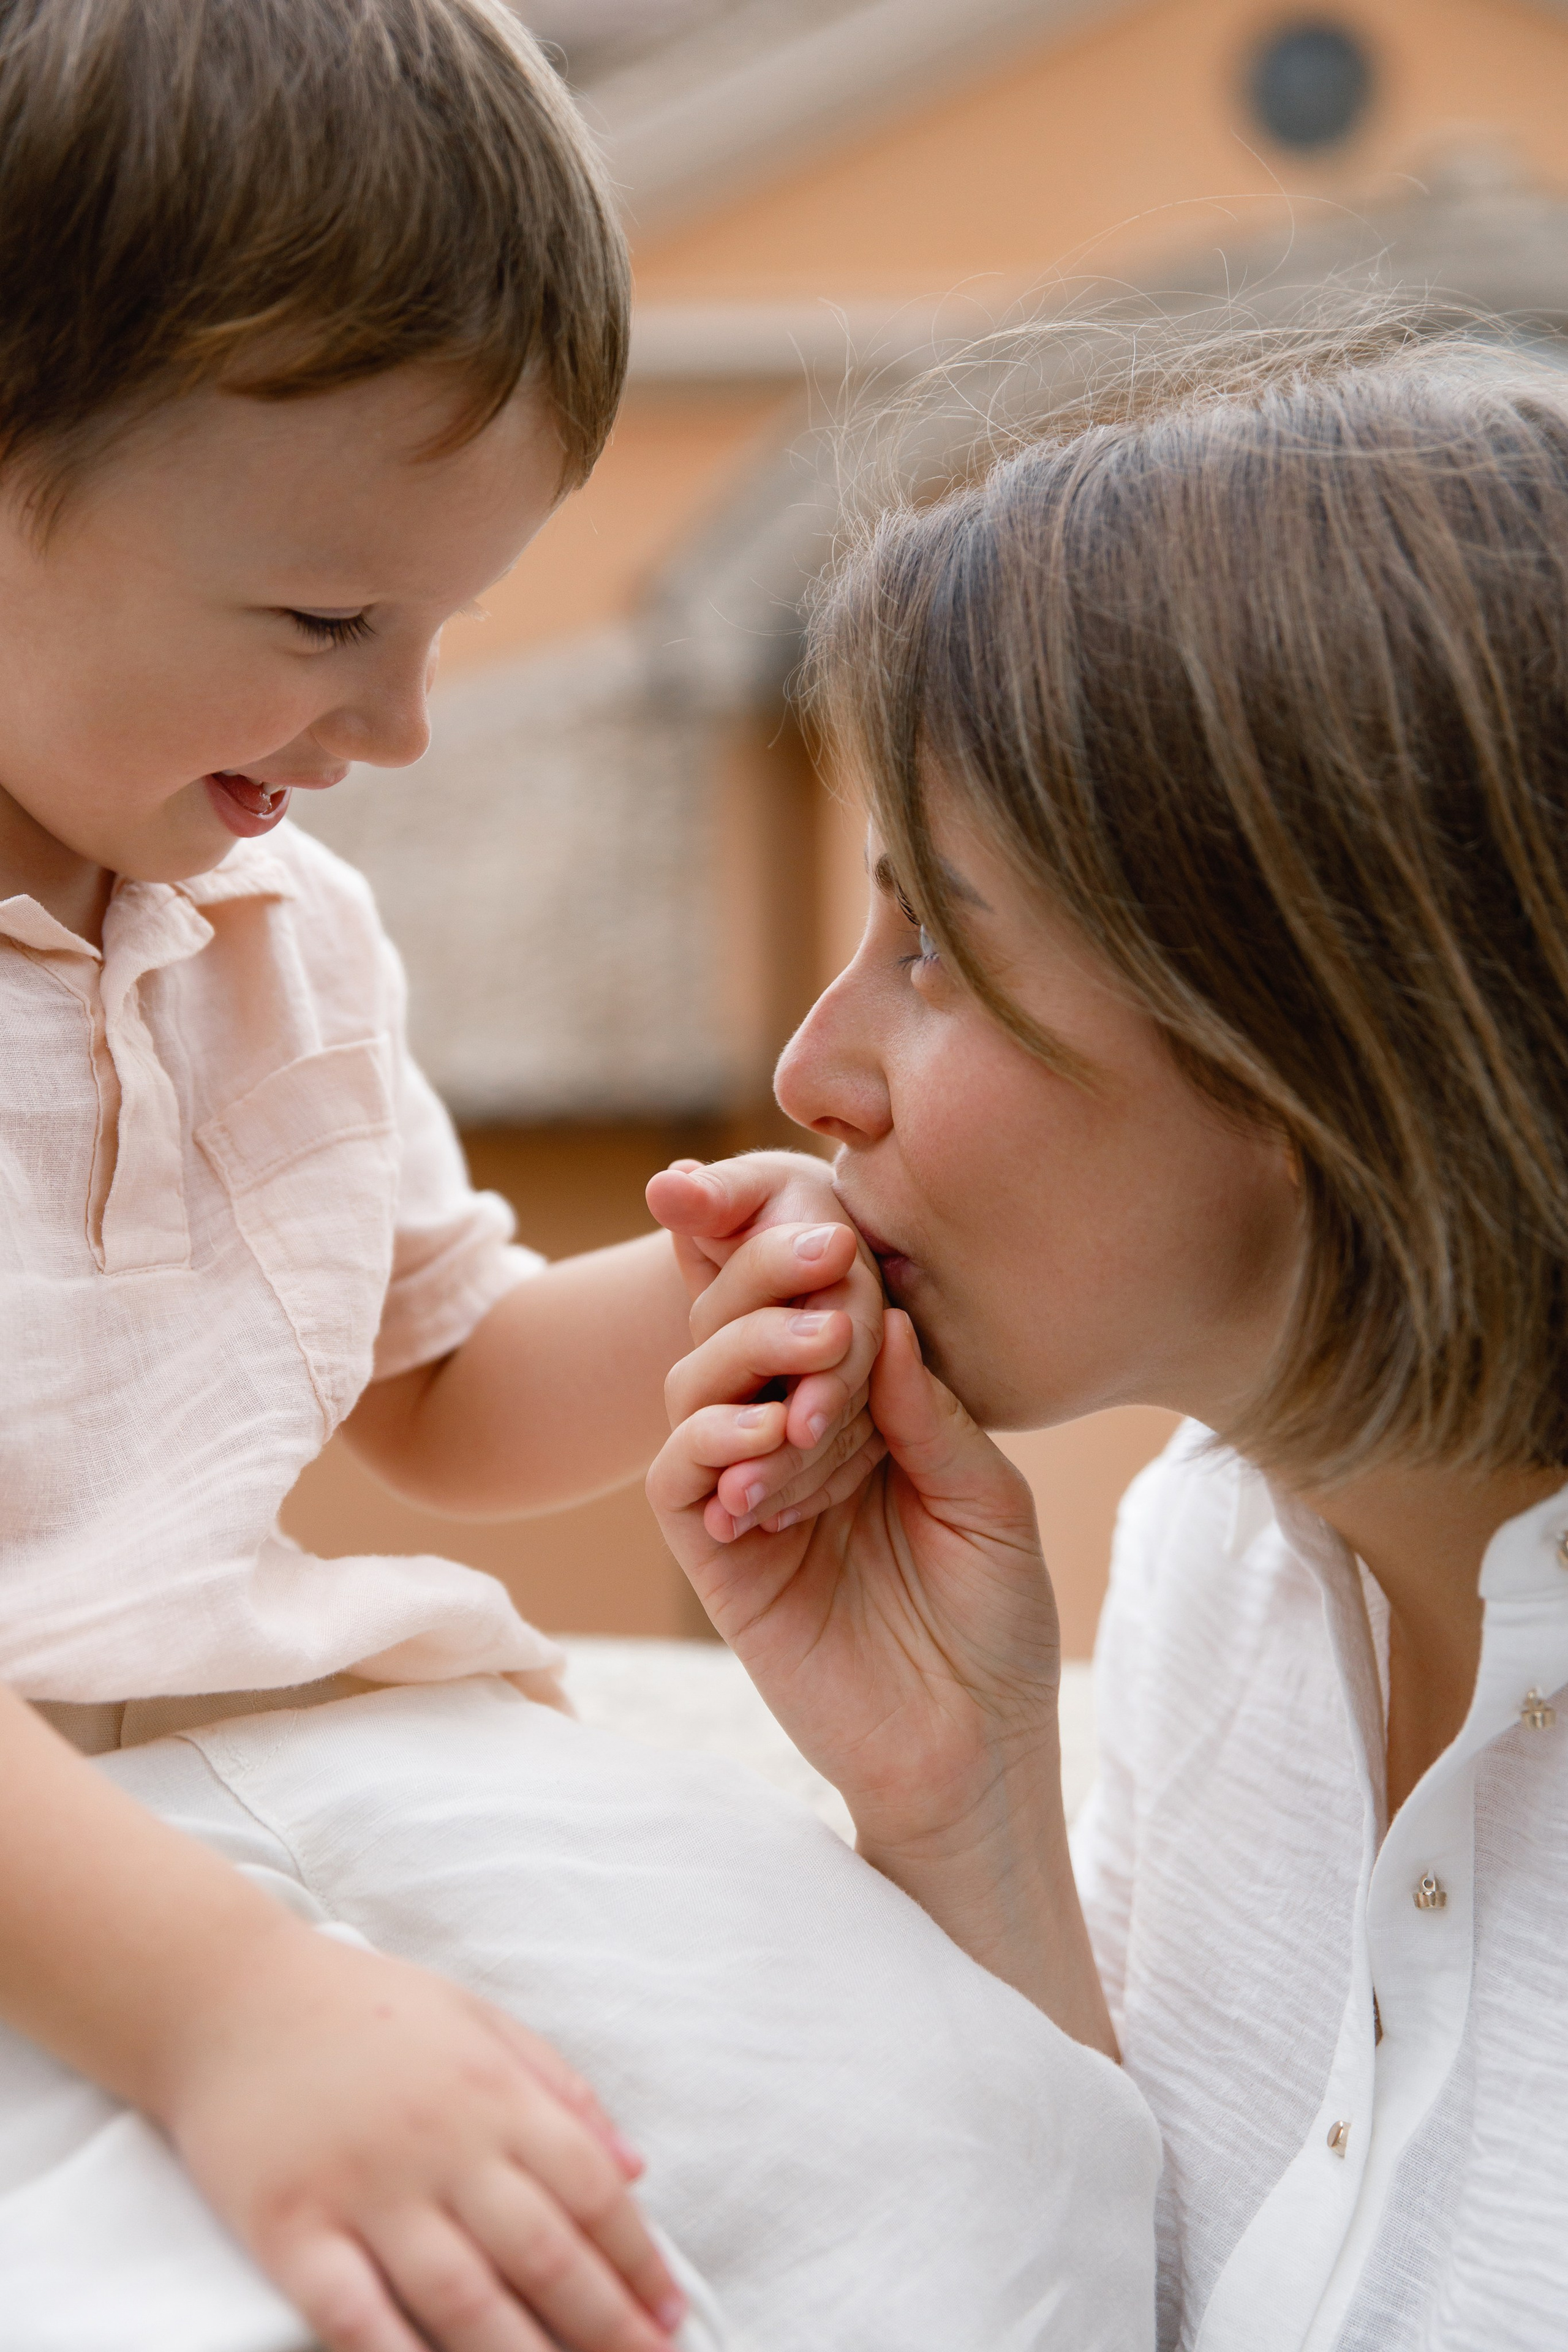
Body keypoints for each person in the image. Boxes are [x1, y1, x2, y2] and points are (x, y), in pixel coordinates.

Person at [0, 6, 1161, 2350]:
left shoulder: (280, 936)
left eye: (445, 628)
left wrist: (736, 1276)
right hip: (82, 1901)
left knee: (985, 2150)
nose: (401, 724)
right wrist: (230, 2019)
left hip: (308, 1780)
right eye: (329, 623)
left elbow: (431, 1387)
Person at [644, 310, 1568, 2351]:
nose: (816, 1073)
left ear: (1325, 1020)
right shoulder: (1217, 1558)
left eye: (939, 952)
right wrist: (957, 1797)